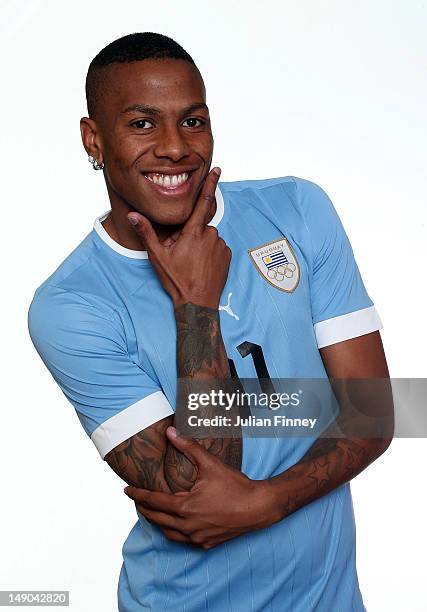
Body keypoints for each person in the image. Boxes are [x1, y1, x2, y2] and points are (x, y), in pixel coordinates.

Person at [27, 32, 393, 611]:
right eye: (142, 124)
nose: (175, 148)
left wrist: (270, 500)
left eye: (192, 121)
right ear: (93, 139)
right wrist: (196, 309)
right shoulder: (72, 307)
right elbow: (194, 497)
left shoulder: (296, 209)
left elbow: (374, 411)